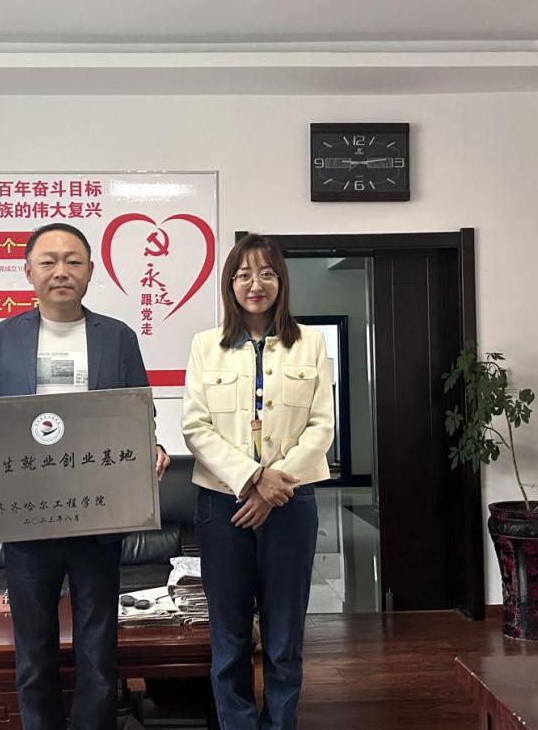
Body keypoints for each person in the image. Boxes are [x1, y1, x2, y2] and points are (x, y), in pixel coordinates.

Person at [0, 221, 170, 730]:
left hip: (97, 515)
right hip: (26, 517)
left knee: (98, 649)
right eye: (49, 261)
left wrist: (155, 447)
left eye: (73, 261)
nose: (61, 271)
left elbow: (138, 414)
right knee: (33, 651)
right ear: (28, 271)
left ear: (90, 271)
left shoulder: (116, 337)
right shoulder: (2, 337)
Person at [181, 232, 334, 729]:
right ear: (230, 283)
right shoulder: (206, 345)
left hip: (291, 501)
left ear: (281, 282)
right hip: (222, 504)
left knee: (284, 636)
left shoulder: (310, 342)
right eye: (244, 274)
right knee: (229, 637)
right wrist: (252, 480)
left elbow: (321, 425)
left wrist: (274, 487)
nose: (255, 284)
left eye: (267, 273)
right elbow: (195, 427)